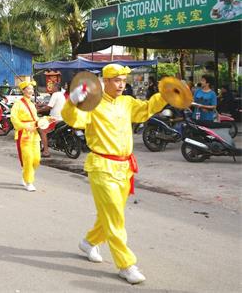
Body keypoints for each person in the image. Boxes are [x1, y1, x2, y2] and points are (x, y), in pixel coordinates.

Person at [61, 64, 167, 284]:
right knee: (115, 218)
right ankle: (126, 264)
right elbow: (73, 119)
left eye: (123, 80)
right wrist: (73, 101)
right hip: (101, 166)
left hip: (124, 167)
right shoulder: (93, 104)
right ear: (105, 81)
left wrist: (163, 96)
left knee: (111, 213)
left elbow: (146, 109)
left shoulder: (127, 102)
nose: (121, 84)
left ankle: (89, 242)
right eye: (116, 80)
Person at [11, 80, 41, 192]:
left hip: (34, 134)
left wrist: (45, 120)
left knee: (36, 159)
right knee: (28, 158)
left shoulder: (32, 104)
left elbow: (36, 119)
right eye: (28, 89)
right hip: (24, 134)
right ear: (23, 90)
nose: (31, 91)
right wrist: (24, 126)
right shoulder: (18, 104)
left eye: (32, 89)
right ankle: (29, 181)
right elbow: (13, 118)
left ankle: (26, 173)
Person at [37, 83, 66, 157]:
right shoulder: (62, 94)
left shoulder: (55, 94)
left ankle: (46, 151)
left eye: (52, 87)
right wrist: (42, 105)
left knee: (41, 129)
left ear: (56, 88)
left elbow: (49, 107)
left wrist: (39, 110)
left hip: (55, 118)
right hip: (64, 118)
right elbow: (52, 104)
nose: (51, 89)